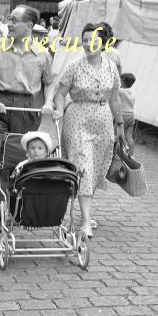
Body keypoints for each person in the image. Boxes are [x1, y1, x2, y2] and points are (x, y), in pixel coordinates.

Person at [0, 5, 54, 231]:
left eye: (14, 20)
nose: (8, 23)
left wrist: (47, 103)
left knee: (24, 160)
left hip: (28, 108)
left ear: (28, 26)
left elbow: (50, 81)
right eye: (8, 19)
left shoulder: (42, 53)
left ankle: (18, 210)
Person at [52, 22, 125, 238]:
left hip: (103, 121)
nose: (88, 44)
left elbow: (115, 98)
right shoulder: (75, 66)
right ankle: (84, 222)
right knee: (83, 165)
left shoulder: (111, 67)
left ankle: (85, 211)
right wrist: (58, 109)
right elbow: (60, 93)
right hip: (78, 119)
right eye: (85, 40)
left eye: (93, 40)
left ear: (103, 43)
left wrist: (120, 124)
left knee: (95, 166)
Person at [119, 72, 137, 154]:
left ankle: (122, 150)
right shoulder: (131, 94)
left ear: (122, 80)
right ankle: (132, 154)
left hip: (123, 116)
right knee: (129, 136)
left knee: (119, 134)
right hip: (131, 116)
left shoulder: (120, 91)